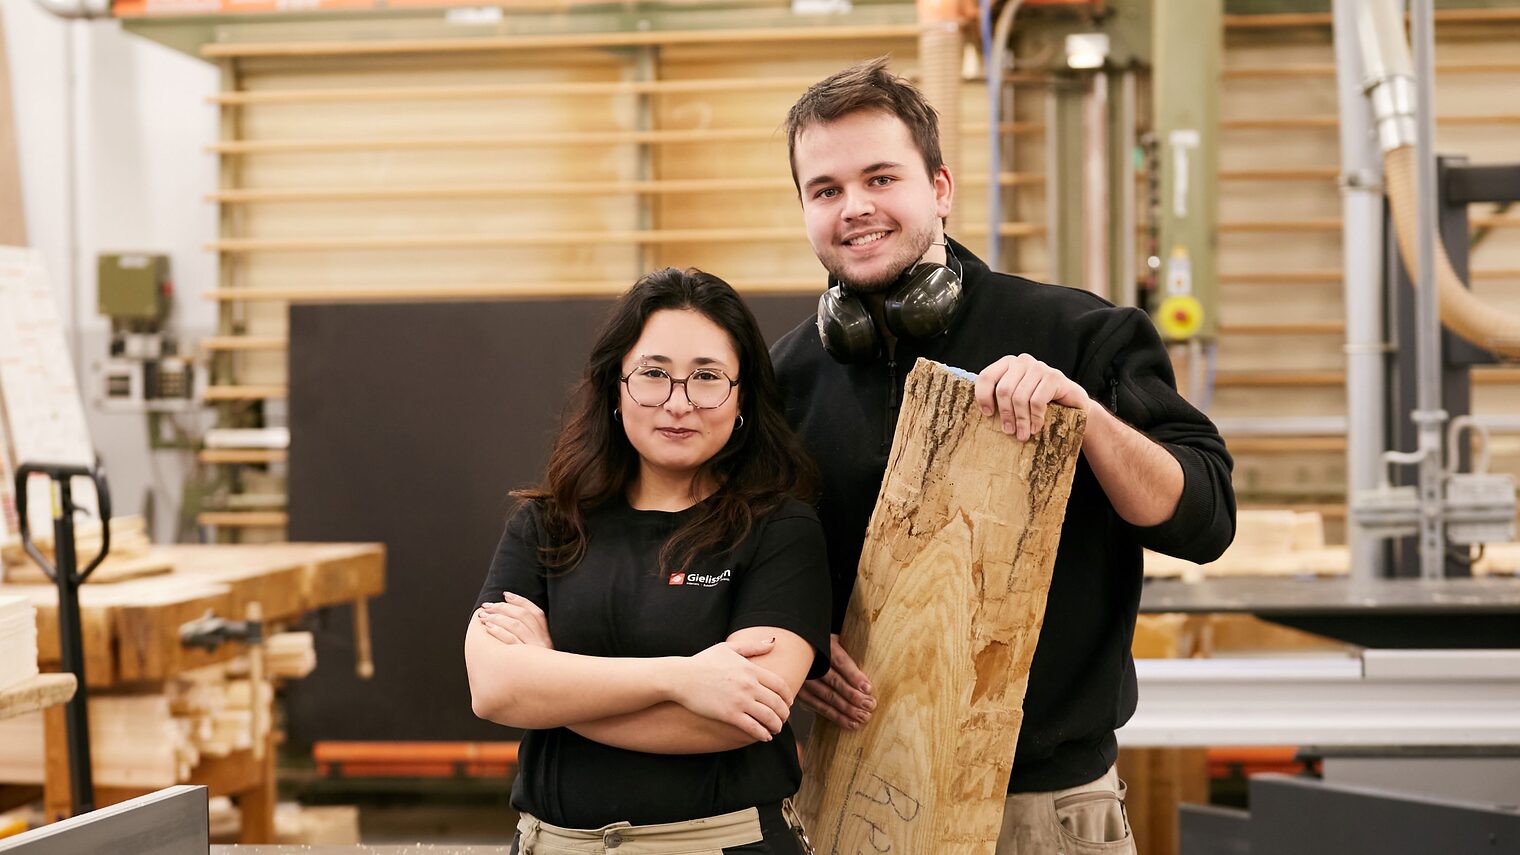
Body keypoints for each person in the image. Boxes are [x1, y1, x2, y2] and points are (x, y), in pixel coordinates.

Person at [770, 58, 1236, 853]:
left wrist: (1084, 417)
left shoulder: (1080, 336)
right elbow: (752, 558)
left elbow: (1203, 519)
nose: (856, 208)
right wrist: (797, 648)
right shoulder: (788, 377)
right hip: (852, 799)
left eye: (882, 177)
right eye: (827, 189)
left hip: (1045, 813)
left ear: (941, 188)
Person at [465, 267, 830, 854]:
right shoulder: (548, 523)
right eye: (654, 374)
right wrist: (681, 678)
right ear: (616, 386)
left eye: (707, 378)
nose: (678, 403)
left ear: (742, 399)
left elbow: (740, 714)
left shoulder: (780, 529)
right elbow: (494, 690)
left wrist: (551, 679)